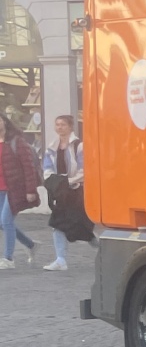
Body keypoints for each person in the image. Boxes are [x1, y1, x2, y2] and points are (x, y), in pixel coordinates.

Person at [40, 115, 90, 270]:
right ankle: (60, 260)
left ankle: (100, 247)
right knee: (57, 223)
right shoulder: (52, 146)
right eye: (57, 124)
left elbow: (84, 169)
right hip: (61, 191)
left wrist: (69, 181)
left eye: (62, 124)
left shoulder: (78, 145)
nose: (59, 127)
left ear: (70, 126)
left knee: (82, 226)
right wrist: (52, 180)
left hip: (76, 190)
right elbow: (47, 166)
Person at [0, 117, 40, 271]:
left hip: (14, 188)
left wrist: (31, 190)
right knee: (2, 223)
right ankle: (31, 245)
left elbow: (28, 167)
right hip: (0, 189)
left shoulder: (17, 142)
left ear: (5, 122)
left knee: (6, 221)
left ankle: (8, 258)